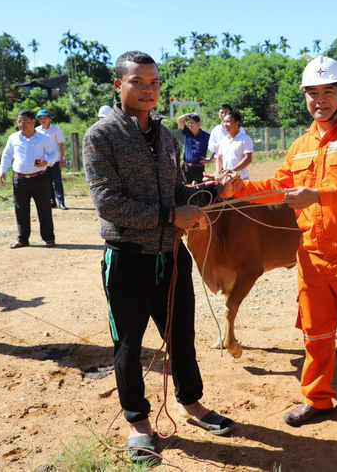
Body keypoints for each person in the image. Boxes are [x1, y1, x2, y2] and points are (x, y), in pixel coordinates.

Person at [83, 50, 237, 462]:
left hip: (171, 258)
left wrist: (214, 192)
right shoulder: (100, 136)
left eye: (153, 82)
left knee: (180, 337)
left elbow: (177, 194)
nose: (148, 89)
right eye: (138, 82)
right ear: (119, 85)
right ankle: (138, 423)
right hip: (127, 260)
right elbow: (108, 204)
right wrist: (173, 214)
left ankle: (192, 404)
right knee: (129, 345)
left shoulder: (167, 138)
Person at [227, 55, 337, 444]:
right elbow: (278, 185)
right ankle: (318, 399)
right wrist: (237, 188)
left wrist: (317, 194)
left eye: (328, 91)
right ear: (305, 97)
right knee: (315, 334)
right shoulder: (299, 146)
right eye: (312, 93)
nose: (320, 100)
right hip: (311, 256)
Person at [0, 110, 58, 248]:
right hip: (20, 179)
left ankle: (49, 238)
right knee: (21, 209)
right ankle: (22, 239)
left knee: (44, 208)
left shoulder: (43, 138)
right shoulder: (13, 138)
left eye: (24, 121)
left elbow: (54, 153)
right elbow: (7, 154)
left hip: (40, 178)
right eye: (19, 122)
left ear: (33, 122)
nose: (21, 125)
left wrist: (46, 162)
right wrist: (2, 170)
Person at [35, 109, 67, 210]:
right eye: (40, 118)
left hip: (55, 159)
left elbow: (61, 145)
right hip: (43, 161)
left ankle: (61, 202)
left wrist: (62, 159)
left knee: (57, 181)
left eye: (44, 118)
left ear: (49, 118)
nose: (42, 120)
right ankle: (52, 201)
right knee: (47, 182)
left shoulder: (56, 129)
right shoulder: (37, 130)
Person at [216, 111, 254, 179]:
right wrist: (218, 173)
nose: (225, 124)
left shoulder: (245, 139)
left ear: (237, 123)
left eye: (228, 122)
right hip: (226, 180)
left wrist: (233, 171)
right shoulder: (223, 141)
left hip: (241, 179)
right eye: (224, 122)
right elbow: (219, 158)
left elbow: (248, 158)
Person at [207, 104, 245, 172]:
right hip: (221, 162)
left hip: (236, 162)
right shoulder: (216, 130)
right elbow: (210, 145)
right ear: (218, 114)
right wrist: (216, 145)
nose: (224, 115)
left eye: (226, 112)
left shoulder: (240, 129)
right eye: (221, 113)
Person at [176, 113, 211, 184]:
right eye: (188, 123)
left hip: (199, 168)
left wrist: (210, 160)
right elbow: (179, 120)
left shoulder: (206, 136)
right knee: (186, 189)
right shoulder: (187, 133)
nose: (189, 125)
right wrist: (192, 114)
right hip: (186, 168)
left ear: (198, 123)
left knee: (201, 189)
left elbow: (217, 148)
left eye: (192, 123)